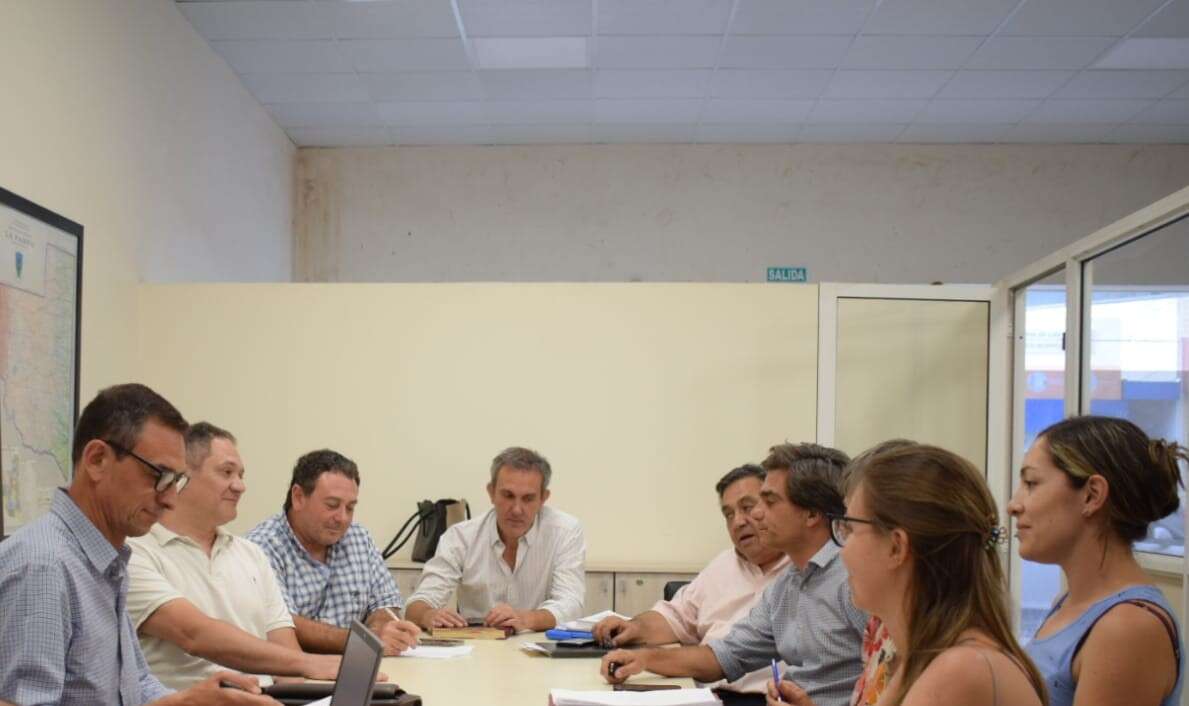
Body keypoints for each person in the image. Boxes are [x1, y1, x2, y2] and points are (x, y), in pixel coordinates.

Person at [0, 383, 276, 705]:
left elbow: (136, 686)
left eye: (176, 481)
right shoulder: (43, 567)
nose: (170, 499)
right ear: (97, 460)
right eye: (159, 475)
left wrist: (194, 700)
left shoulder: (106, 560)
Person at [772, 444, 1046, 706]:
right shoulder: (922, 655)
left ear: (896, 547)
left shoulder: (959, 668)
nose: (843, 552)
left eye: (850, 529)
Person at [602, 443, 866, 706]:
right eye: (730, 514)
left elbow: (887, 681)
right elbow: (726, 655)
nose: (757, 514)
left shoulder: (853, 578)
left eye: (769, 502)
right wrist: (644, 659)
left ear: (811, 514)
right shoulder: (788, 584)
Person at [127, 422, 340, 689]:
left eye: (241, 475)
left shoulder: (251, 554)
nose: (240, 486)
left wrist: (312, 698)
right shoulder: (135, 552)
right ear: (183, 474)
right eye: (227, 472)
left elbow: (288, 661)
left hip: (266, 699)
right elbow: (195, 635)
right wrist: (312, 663)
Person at [1010, 416, 1185, 706]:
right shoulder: (1066, 602)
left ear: (1092, 495)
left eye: (1031, 483)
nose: (1014, 505)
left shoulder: (1127, 629)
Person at [593, 464, 790, 696]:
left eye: (748, 507)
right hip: (707, 692)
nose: (738, 522)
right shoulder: (724, 564)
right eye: (729, 515)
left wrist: (646, 659)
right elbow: (676, 617)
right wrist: (635, 628)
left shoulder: (799, 574)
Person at [247, 449, 420, 654]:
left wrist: (381, 628)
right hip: (296, 668)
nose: (342, 518)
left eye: (350, 508)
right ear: (298, 497)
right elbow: (282, 624)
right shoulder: (260, 547)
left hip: (359, 664)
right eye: (332, 505)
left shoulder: (359, 538)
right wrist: (365, 640)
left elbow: (386, 603)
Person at [405, 446, 585, 632]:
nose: (517, 509)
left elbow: (571, 604)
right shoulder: (460, 537)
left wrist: (525, 619)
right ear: (491, 492)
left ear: (543, 499)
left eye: (528, 498)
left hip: (538, 643)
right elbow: (417, 603)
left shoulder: (565, 532)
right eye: (508, 496)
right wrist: (428, 615)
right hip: (477, 644)